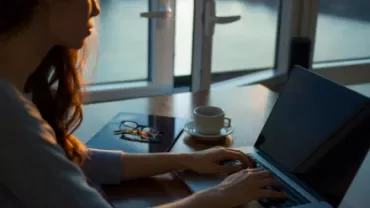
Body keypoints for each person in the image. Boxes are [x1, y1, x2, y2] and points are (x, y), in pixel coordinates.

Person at [0, 0, 287, 207]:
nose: (96, 8)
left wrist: (186, 160)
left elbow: (69, 159)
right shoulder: (10, 115)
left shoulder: (16, 90)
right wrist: (219, 196)